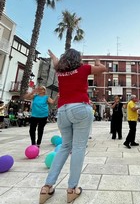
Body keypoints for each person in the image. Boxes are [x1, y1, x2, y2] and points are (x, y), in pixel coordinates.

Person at [39, 49, 106, 204]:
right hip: (80, 108)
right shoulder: (83, 68)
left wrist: (54, 57)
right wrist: (97, 62)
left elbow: (56, 63)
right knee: (78, 148)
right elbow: (102, 69)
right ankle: (72, 189)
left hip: (62, 111)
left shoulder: (59, 71)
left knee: (64, 146)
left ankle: (47, 187)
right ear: (78, 59)